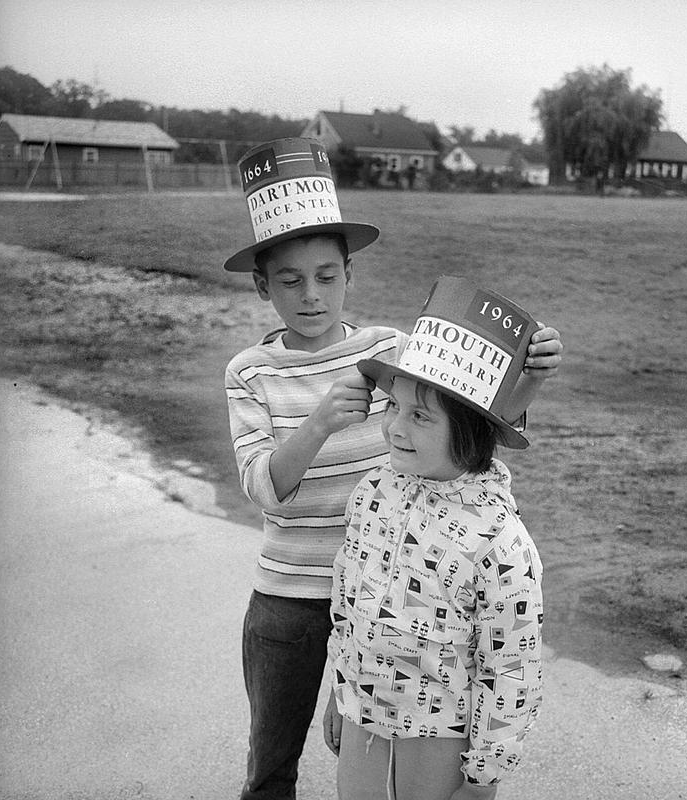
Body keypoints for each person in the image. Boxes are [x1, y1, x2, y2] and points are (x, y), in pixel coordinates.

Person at [223, 139, 562, 799]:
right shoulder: (250, 372)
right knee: (272, 759)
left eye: (327, 275)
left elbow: (464, 414)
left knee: (390, 754)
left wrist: (530, 371)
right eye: (290, 280)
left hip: (399, 585)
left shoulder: (386, 349)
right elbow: (265, 488)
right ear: (263, 285)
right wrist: (321, 421)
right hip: (292, 590)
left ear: (350, 272)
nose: (312, 295)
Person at [324, 276, 549, 800]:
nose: (396, 428)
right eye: (392, 407)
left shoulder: (500, 542)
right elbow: (346, 605)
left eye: (420, 416)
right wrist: (336, 693)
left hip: (440, 737)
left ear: (470, 432)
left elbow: (511, 670)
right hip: (363, 716)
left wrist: (480, 779)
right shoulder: (373, 492)